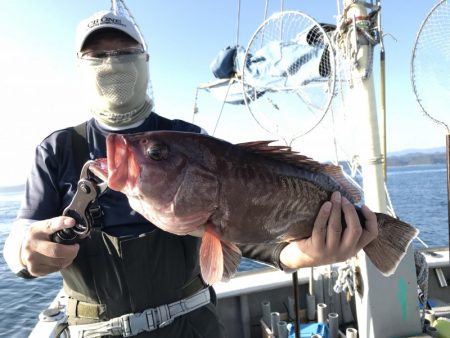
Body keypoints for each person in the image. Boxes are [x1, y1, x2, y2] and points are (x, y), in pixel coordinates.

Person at [3, 8, 378, 338]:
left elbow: (245, 235)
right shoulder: (56, 151)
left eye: (125, 53)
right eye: (97, 55)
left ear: (145, 61)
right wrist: (24, 252)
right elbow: (20, 237)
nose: (111, 63)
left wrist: (311, 253)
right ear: (80, 68)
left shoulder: (191, 140)